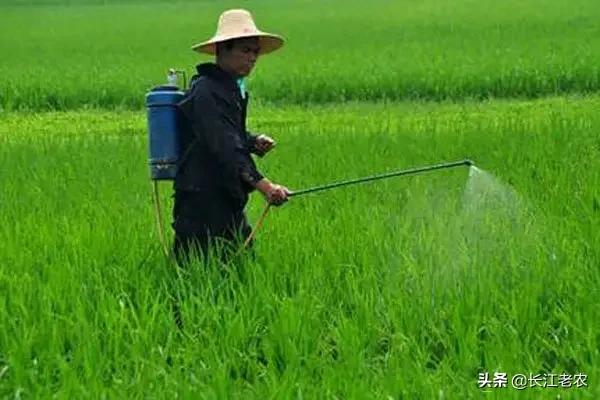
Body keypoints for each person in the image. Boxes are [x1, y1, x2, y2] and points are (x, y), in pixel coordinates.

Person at [172, 9, 290, 265]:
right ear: (222, 50)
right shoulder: (205, 91)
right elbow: (224, 146)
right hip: (201, 200)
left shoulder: (229, 89)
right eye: (245, 50)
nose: (252, 58)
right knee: (192, 274)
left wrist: (251, 140)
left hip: (226, 196)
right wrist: (265, 186)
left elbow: (229, 134)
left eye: (255, 52)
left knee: (240, 266)